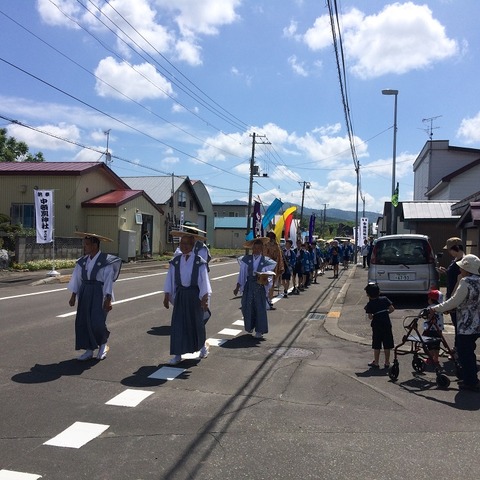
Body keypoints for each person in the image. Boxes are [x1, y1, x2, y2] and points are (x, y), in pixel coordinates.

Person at [428, 254, 480, 391]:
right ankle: (471, 377)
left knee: (465, 353)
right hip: (477, 322)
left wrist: (436, 308)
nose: (460, 270)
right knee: (470, 351)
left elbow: (454, 301)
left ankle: (471, 381)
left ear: (466, 269)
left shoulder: (466, 282)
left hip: (466, 323)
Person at [68, 232, 122, 361]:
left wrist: (108, 299)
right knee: (84, 321)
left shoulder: (106, 261)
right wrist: (73, 295)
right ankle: (89, 349)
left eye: (87, 244)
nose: (84, 247)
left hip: (99, 292)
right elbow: (77, 279)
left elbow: (108, 280)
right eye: (84, 244)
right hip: (85, 291)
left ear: (95, 245)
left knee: (97, 322)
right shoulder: (82, 262)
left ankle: (103, 344)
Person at [163, 233, 212, 365]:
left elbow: (204, 281)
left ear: (192, 245)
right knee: (178, 325)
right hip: (181, 296)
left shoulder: (199, 262)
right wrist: (167, 295)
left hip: (194, 296)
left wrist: (205, 298)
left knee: (197, 324)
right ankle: (177, 355)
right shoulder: (176, 261)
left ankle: (202, 348)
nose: (184, 246)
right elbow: (170, 279)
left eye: (187, 244)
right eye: (182, 243)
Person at [234, 238, 276, 339]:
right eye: (255, 248)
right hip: (249, 286)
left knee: (259, 308)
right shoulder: (246, 260)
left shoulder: (266, 261)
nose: (256, 250)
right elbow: (242, 275)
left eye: (259, 248)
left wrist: (266, 282)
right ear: (252, 248)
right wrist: (238, 286)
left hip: (260, 287)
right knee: (246, 306)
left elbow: (269, 276)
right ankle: (250, 326)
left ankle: (260, 330)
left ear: (262, 249)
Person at [437, 237, 464, 350]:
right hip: (452, 295)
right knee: (457, 324)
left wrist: (451, 299)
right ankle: (457, 347)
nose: (449, 252)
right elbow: (452, 276)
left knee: (459, 326)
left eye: (449, 250)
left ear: (455, 248)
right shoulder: (456, 260)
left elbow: (459, 281)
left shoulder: (463, 262)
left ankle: (459, 349)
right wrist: (445, 272)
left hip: (456, 296)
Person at [364, 283, 395, 369]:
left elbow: (370, 317)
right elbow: (392, 308)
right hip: (386, 324)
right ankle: (387, 362)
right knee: (387, 344)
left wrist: (375, 315)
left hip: (376, 325)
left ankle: (376, 362)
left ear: (368, 294)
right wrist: (386, 313)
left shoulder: (370, 304)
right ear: (379, 292)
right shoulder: (384, 299)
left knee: (376, 344)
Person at [421, 289, 444, 365]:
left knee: (430, 344)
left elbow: (426, 316)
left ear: (431, 300)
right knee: (437, 344)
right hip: (439, 329)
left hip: (430, 329)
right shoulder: (440, 307)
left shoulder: (429, 308)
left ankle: (431, 358)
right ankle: (436, 358)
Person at [263, 231, 284, 308]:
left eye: (272, 237)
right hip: (265, 267)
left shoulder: (276, 245)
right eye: (270, 237)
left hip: (273, 267)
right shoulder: (264, 245)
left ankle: (269, 300)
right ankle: (265, 299)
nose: (271, 239)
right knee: (264, 283)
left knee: (271, 284)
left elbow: (279, 256)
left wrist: (280, 266)